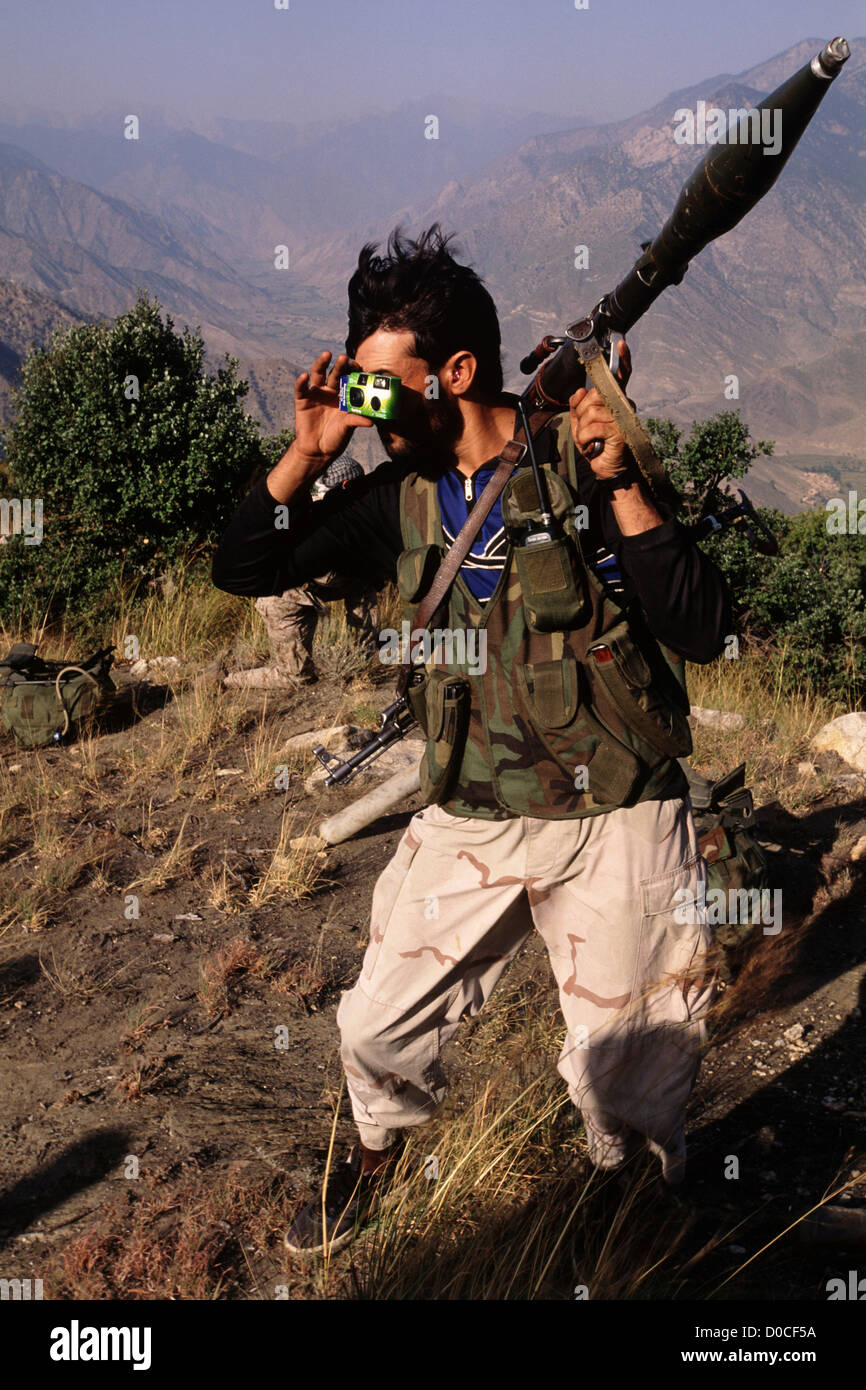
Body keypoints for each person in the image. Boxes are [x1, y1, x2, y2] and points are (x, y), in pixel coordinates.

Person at [211, 224, 730, 1256]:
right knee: (372, 1026)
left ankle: (632, 1205)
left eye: (378, 386)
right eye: (355, 387)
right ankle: (371, 1164)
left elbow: (702, 625)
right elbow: (243, 565)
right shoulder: (389, 500)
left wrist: (621, 483)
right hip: (474, 812)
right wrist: (308, 450)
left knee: (629, 1069)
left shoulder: (580, 453)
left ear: (454, 372)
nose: (365, 407)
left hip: (615, 809)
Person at [222, 457, 380, 691]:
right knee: (296, 678)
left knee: (366, 578)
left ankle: (364, 654)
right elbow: (280, 539)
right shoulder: (290, 512)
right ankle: (227, 680)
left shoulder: (355, 516)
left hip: (323, 585)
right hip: (283, 599)